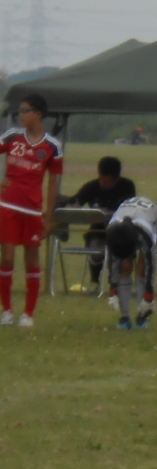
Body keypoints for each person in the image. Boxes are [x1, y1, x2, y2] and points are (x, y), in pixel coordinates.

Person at [0, 94, 62, 328]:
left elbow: (53, 183)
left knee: (32, 259)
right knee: (7, 257)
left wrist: (48, 216)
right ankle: (6, 310)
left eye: (25, 111)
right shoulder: (12, 137)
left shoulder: (52, 146)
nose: (21, 115)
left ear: (38, 114)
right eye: (20, 111)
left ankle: (28, 313)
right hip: (8, 206)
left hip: (33, 210)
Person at [59, 156, 136, 287]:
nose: (102, 183)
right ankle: (94, 281)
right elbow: (76, 201)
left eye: (106, 181)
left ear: (116, 179)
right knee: (96, 248)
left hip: (121, 231)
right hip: (98, 231)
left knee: (121, 252)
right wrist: (70, 207)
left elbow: (130, 210)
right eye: (100, 179)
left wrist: (109, 211)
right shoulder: (91, 187)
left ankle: (118, 283)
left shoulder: (127, 187)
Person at [105, 196, 157, 330]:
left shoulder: (145, 234)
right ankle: (124, 317)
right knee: (125, 265)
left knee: (142, 265)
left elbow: (151, 265)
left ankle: (142, 316)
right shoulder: (112, 231)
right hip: (132, 221)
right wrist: (113, 289)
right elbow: (112, 261)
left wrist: (149, 295)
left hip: (155, 221)